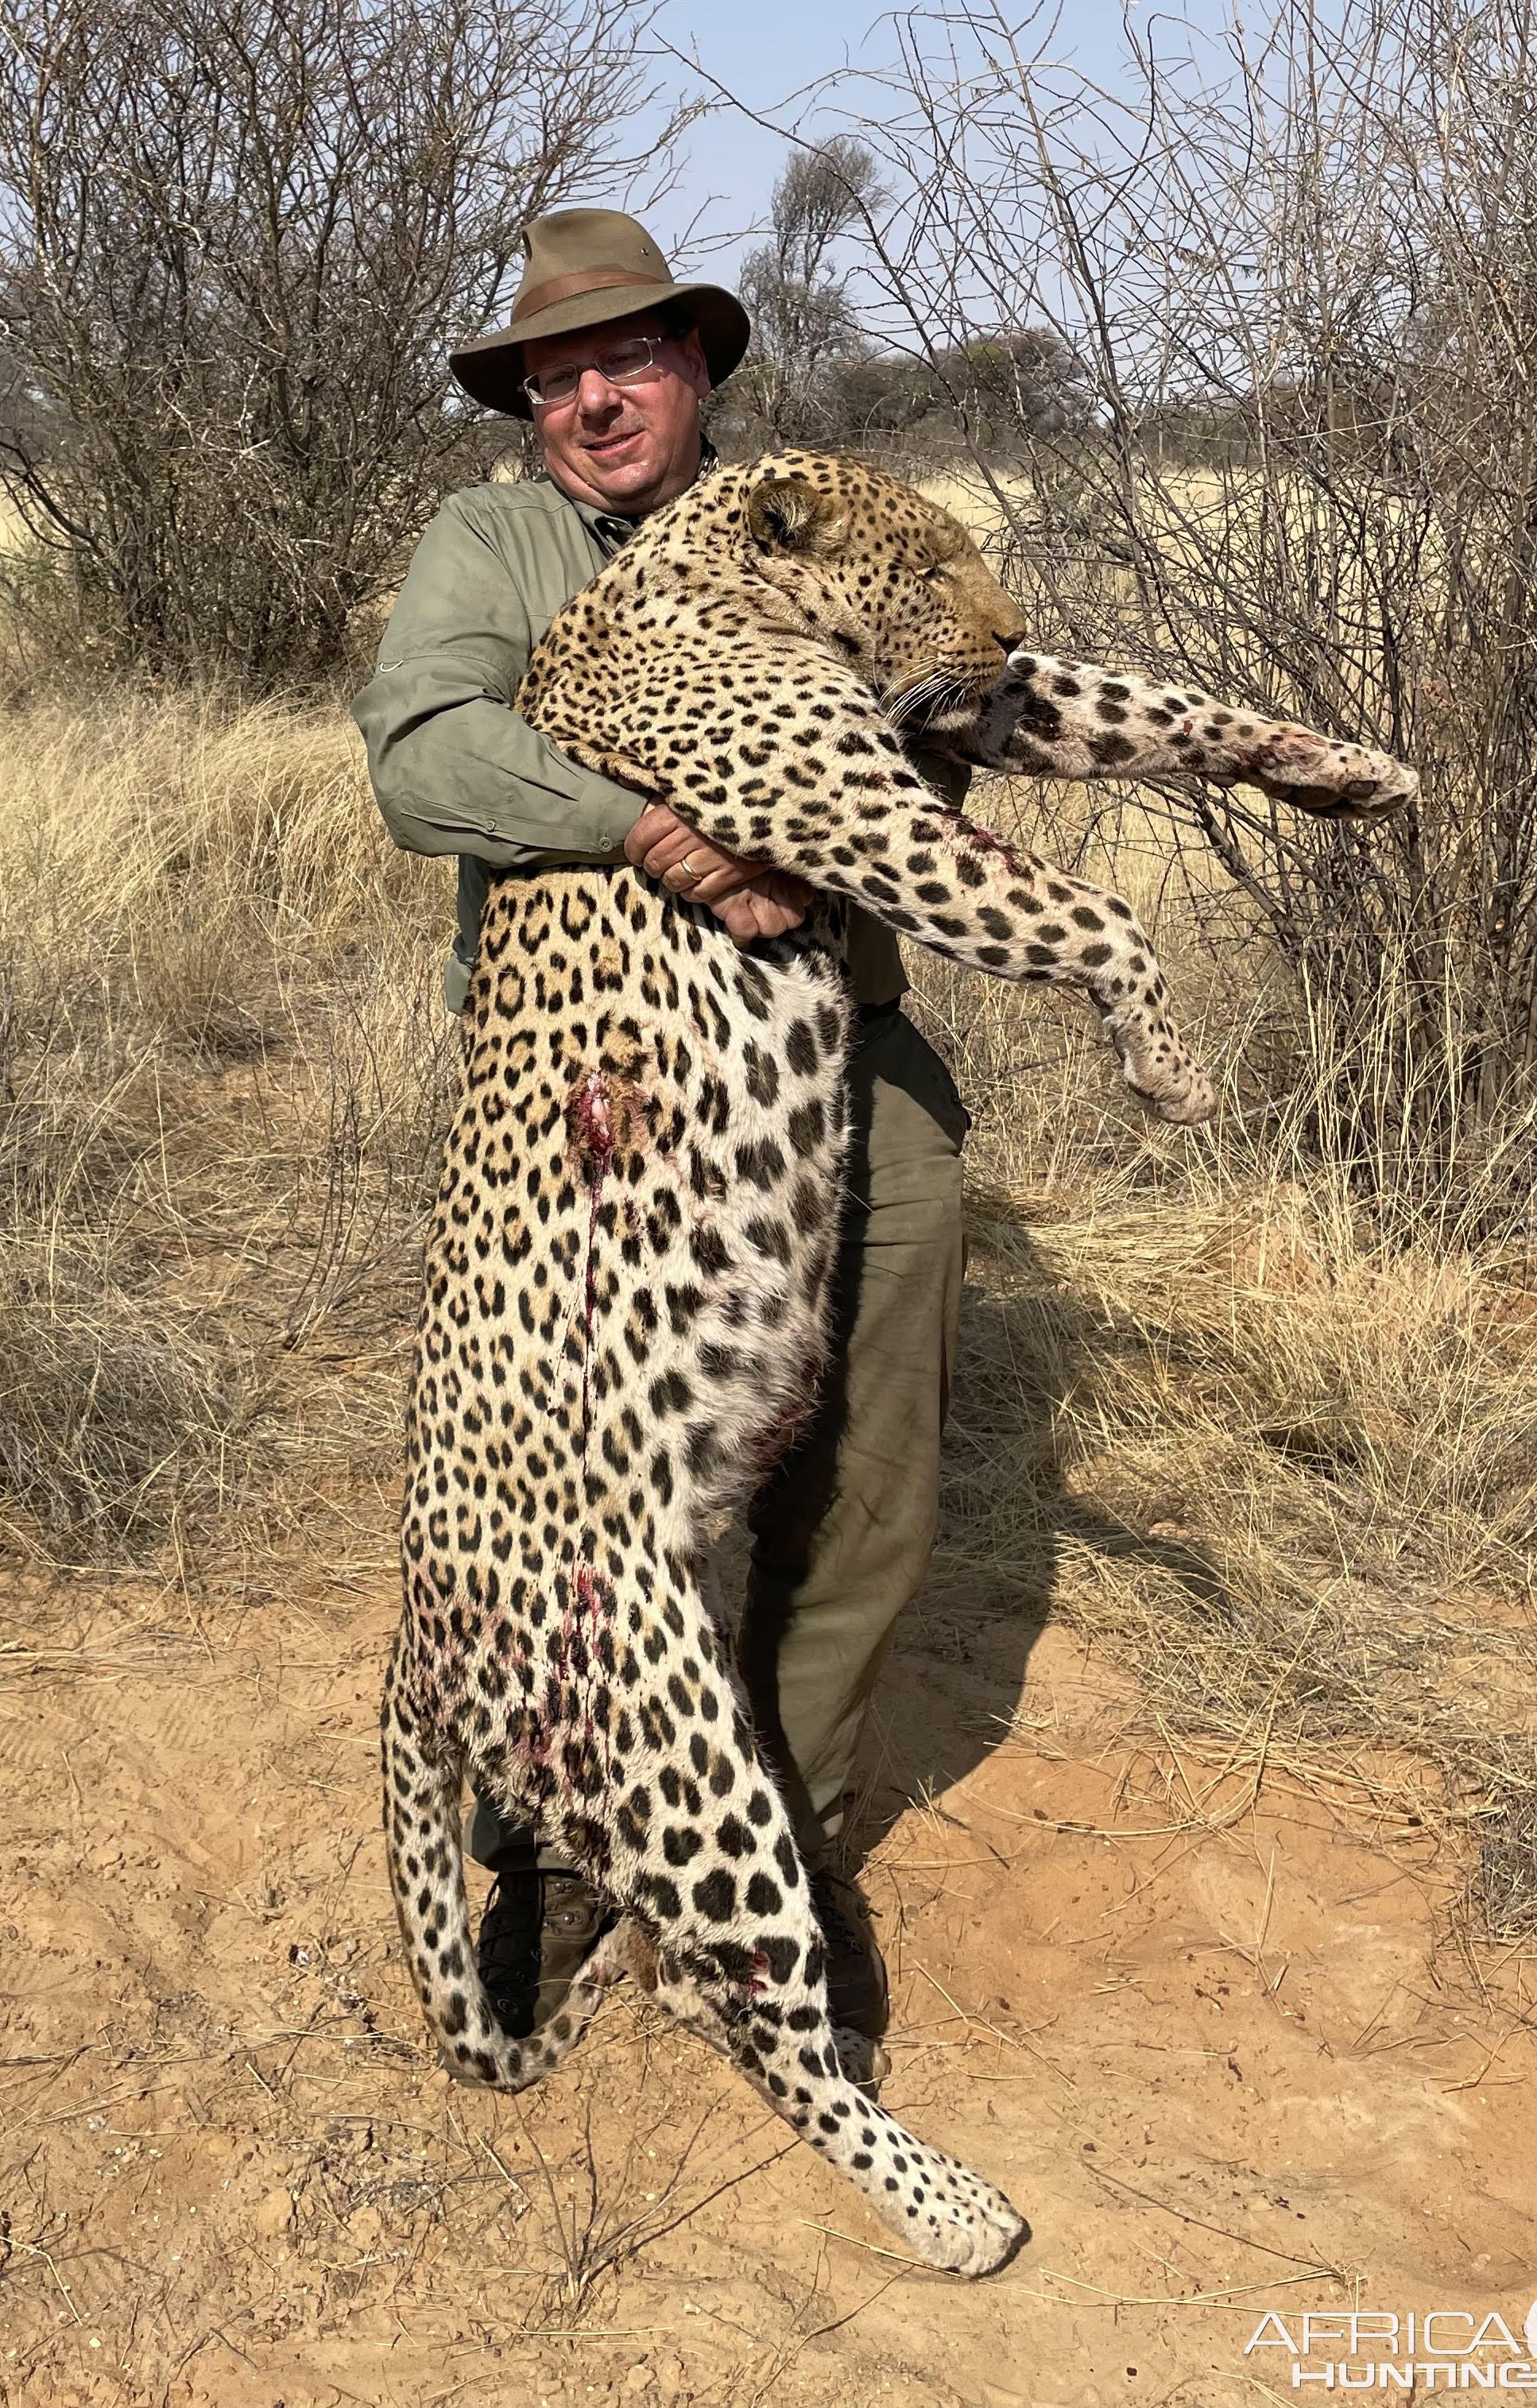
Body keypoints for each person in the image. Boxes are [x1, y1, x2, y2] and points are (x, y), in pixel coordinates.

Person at [354, 207, 975, 2058]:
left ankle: (787, 1837)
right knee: (571, 1487)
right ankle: (548, 1844)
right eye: (556, 372)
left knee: (865, 1455)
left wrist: (831, 802)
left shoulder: (822, 527)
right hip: (602, 1075)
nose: (592, 396)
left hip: (827, 1043)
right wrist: (646, 819)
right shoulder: (497, 538)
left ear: (700, 367)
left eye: (627, 358)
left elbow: (942, 729)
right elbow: (421, 756)